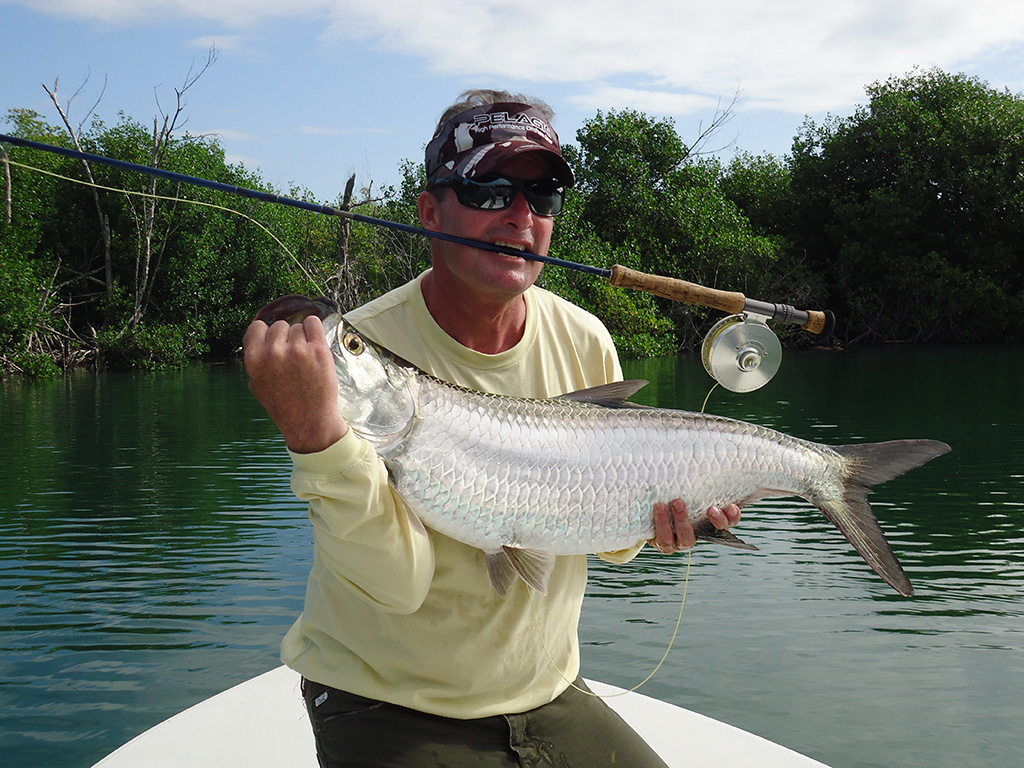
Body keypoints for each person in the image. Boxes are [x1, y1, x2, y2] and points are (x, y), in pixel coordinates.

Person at [244, 89, 741, 768]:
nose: (520, 216)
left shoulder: (584, 338)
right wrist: (318, 440)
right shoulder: (365, 358)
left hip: (544, 691)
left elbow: (609, 544)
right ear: (429, 211)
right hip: (384, 698)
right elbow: (397, 583)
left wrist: (668, 524)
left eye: (543, 198)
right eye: (489, 190)